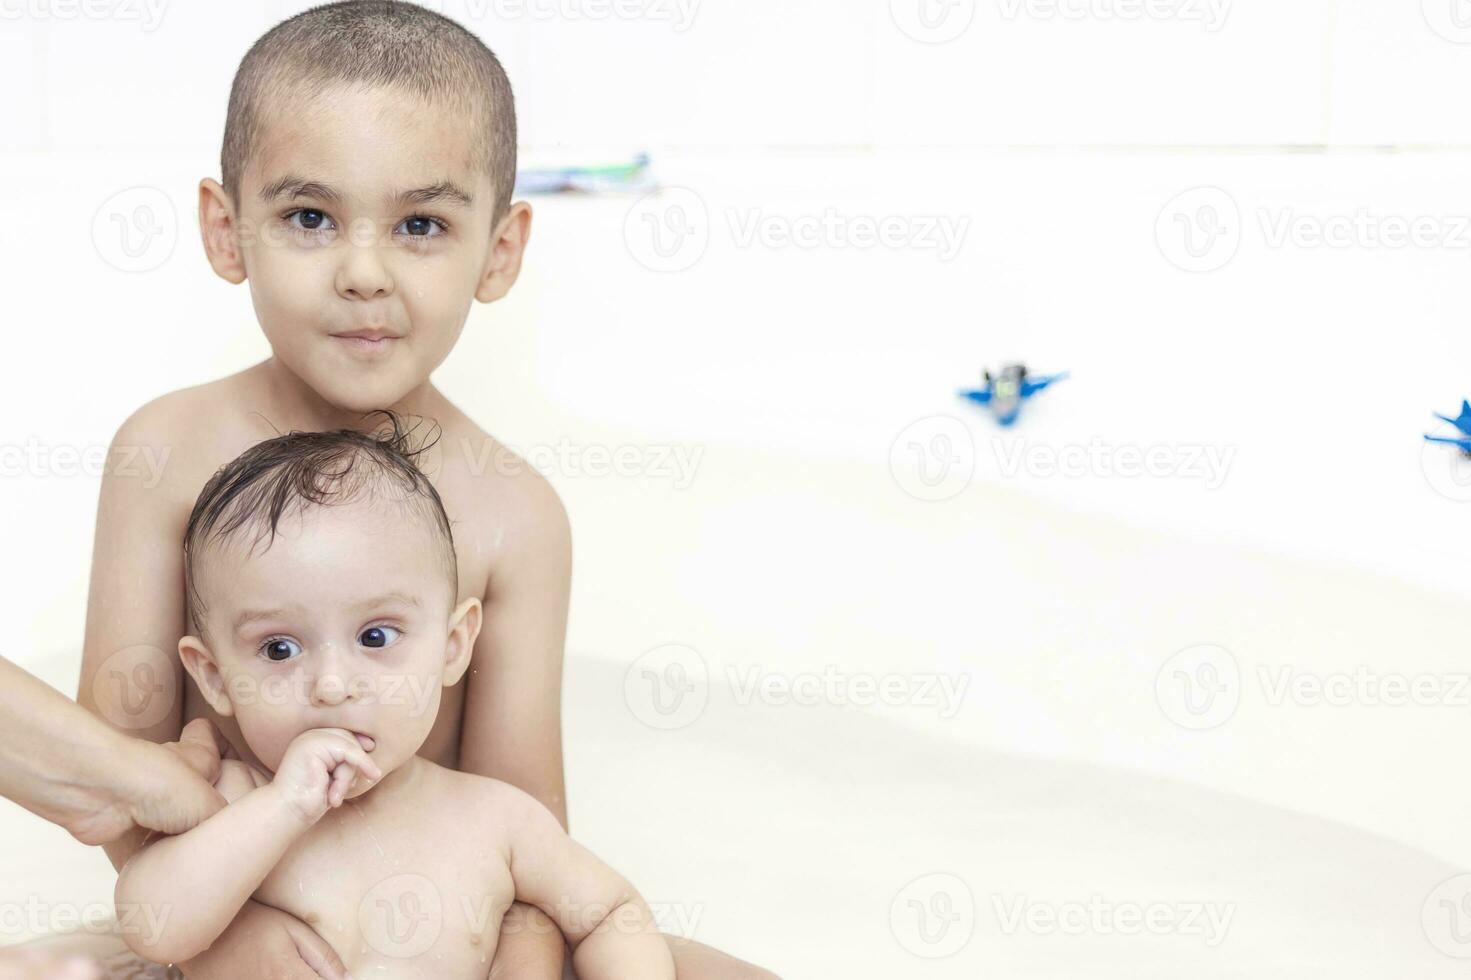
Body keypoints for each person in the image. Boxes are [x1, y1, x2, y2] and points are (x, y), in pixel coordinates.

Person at [74, 2, 776, 977]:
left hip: (451, 925)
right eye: (310, 217)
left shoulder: (511, 512)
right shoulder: (166, 453)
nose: (365, 273)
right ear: (227, 229)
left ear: (499, 249)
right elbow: (114, 784)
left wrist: (511, 963)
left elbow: (528, 832)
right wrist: (243, 929)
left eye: (420, 224)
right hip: (230, 897)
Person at [115, 421, 675, 977]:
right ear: (213, 678)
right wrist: (285, 806)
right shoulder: (231, 807)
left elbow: (610, 913)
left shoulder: (498, 820)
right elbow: (150, 925)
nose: (332, 685)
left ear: (452, 647)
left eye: (375, 637)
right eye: (279, 649)